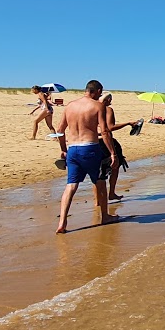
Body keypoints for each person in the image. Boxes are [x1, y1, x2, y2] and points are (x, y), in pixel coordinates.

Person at [54, 80, 113, 234]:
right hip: (91, 149)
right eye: (101, 92)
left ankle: (62, 222)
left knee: (71, 186)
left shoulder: (70, 106)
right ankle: (105, 216)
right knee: (100, 182)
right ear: (98, 91)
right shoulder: (98, 106)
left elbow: (59, 130)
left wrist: (63, 149)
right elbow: (105, 131)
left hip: (73, 149)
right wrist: (112, 152)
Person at [100, 94, 144, 202]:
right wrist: (128, 123)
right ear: (108, 99)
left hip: (93, 141)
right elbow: (110, 127)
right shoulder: (108, 109)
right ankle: (111, 193)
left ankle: (98, 201)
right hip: (106, 141)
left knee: (98, 173)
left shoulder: (91, 108)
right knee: (115, 165)